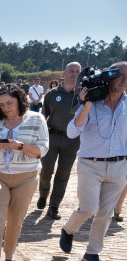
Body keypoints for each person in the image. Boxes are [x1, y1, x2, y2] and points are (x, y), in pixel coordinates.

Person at [60, 61, 127, 261]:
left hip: (119, 165)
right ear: (110, 76)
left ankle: (92, 252)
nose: (125, 80)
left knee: (105, 213)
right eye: (121, 75)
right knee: (89, 208)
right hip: (90, 164)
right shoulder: (92, 103)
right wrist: (86, 104)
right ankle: (69, 230)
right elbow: (72, 132)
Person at [0, 85, 49, 261]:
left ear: (20, 101)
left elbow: (43, 149)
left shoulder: (36, 119)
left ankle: (9, 254)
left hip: (27, 177)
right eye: (1, 104)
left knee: (15, 221)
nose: (5, 108)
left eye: (9, 103)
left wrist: (18, 146)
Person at [38, 62, 82, 220]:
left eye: (78, 71)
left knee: (63, 174)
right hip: (52, 137)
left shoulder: (82, 95)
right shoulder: (52, 93)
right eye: (71, 71)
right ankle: (43, 194)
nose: (74, 74)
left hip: (72, 140)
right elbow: (44, 117)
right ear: (64, 72)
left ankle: (54, 206)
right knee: (46, 170)